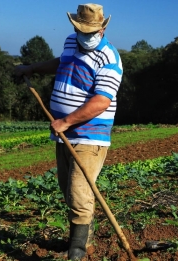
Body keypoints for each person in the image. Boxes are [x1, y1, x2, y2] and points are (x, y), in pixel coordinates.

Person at [14, 3, 123, 260]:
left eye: (91, 31)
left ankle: (77, 251)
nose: (86, 35)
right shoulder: (71, 42)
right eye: (81, 30)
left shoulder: (109, 58)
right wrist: (33, 68)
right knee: (68, 188)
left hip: (89, 134)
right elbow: (61, 62)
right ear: (75, 27)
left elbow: (101, 102)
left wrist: (67, 121)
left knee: (78, 191)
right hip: (65, 134)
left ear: (103, 28)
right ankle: (86, 239)